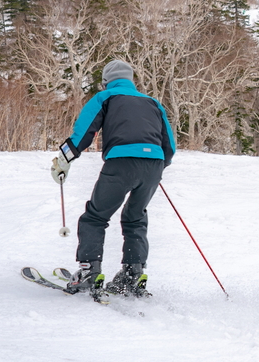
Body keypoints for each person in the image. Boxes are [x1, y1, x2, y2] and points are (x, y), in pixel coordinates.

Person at [50, 59, 175, 297]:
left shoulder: (105, 98)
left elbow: (83, 132)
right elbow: (169, 143)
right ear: (131, 80)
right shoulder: (153, 103)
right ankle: (133, 274)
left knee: (95, 217)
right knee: (135, 218)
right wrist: (158, 166)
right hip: (153, 165)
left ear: (106, 81)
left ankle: (89, 271)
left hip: (121, 162)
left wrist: (63, 160)